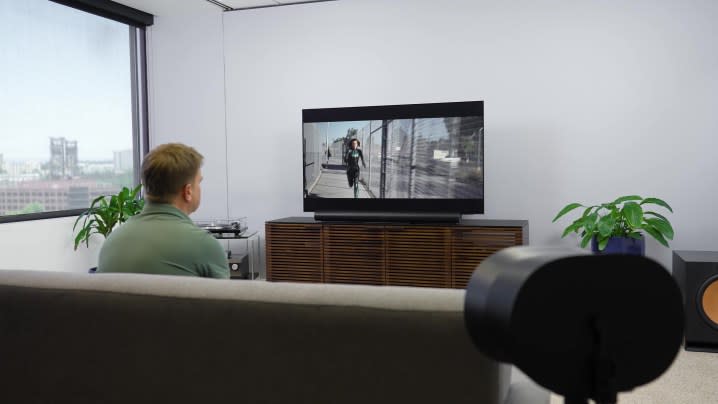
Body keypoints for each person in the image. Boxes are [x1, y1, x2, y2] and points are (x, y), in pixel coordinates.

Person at [97, 143, 229, 279]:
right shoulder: (204, 245)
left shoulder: (112, 242)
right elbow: (226, 299)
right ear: (188, 191)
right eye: (199, 182)